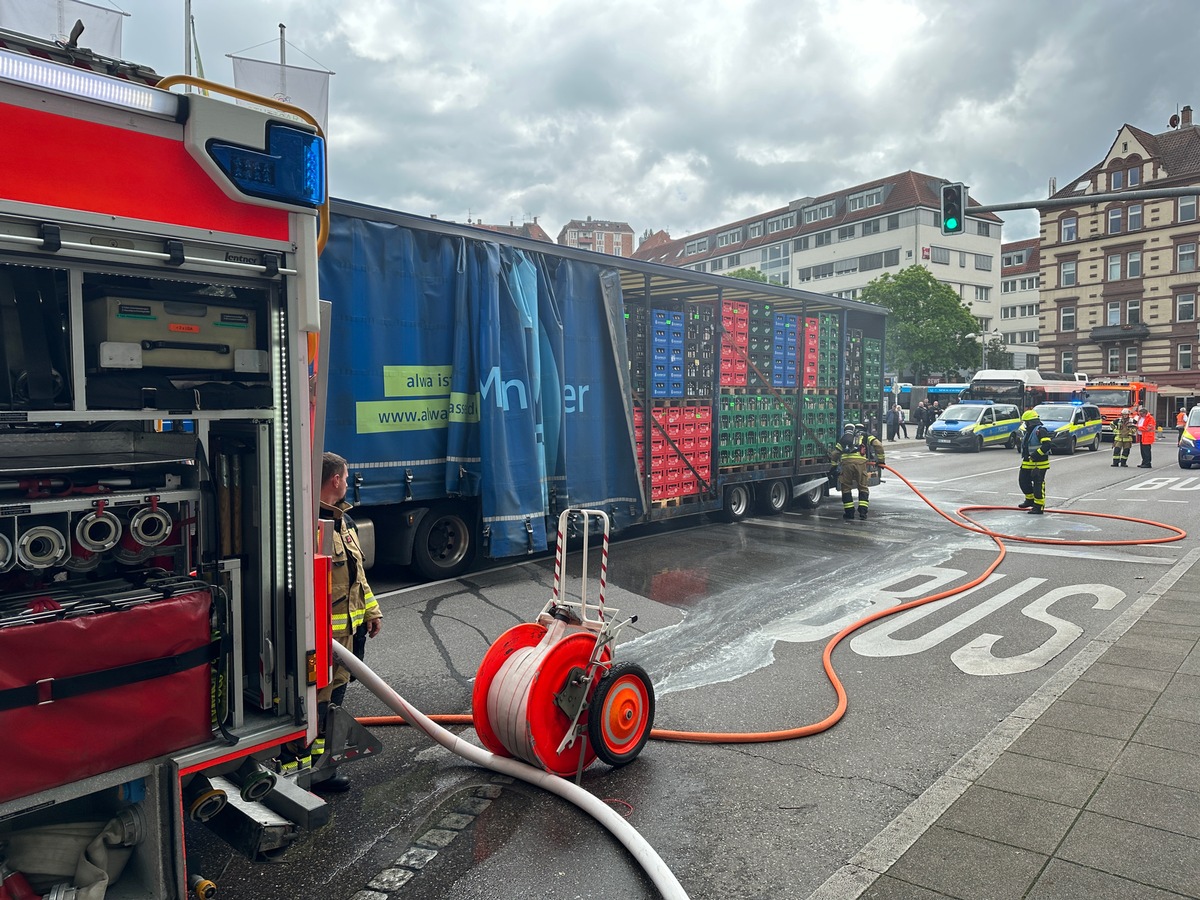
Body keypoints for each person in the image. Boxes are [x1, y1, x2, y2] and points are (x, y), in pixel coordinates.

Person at [312, 451, 384, 791]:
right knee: (320, 708)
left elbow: (358, 577)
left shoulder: (345, 523)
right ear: (336, 479)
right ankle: (316, 774)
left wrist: (371, 611)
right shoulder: (312, 526)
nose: (346, 481)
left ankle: (321, 771)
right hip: (323, 640)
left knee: (334, 704)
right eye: (345, 475)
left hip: (347, 638)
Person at [830, 422, 885, 520]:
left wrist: (833, 466)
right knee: (863, 487)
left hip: (846, 464)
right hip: (860, 464)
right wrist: (881, 461)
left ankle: (849, 513)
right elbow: (878, 445)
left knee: (846, 488)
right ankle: (863, 513)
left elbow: (835, 453)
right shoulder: (866, 435)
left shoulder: (845, 438)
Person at [1018, 408, 1052, 514]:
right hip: (1027, 462)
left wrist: (1035, 455)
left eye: (1026, 422)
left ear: (1030, 422)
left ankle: (1038, 506)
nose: (1025, 424)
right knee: (1023, 481)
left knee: (1038, 485)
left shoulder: (1040, 431)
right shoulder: (1029, 431)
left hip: (1039, 464)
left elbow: (1047, 445)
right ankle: (1030, 500)